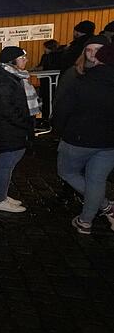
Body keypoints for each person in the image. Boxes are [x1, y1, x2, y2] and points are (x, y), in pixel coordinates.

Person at [53, 44, 114, 234]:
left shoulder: (81, 81)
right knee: (96, 180)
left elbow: (63, 110)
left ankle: (101, 207)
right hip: (109, 142)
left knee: (67, 172)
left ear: (97, 59)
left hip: (77, 139)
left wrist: (61, 130)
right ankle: (85, 221)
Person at [0, 46, 39, 212]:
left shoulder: (11, 77)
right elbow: (6, 109)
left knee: (2, 162)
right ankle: (0, 200)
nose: (26, 60)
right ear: (11, 61)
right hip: (9, 129)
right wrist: (24, 122)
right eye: (22, 58)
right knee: (6, 164)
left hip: (8, 128)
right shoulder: (4, 81)